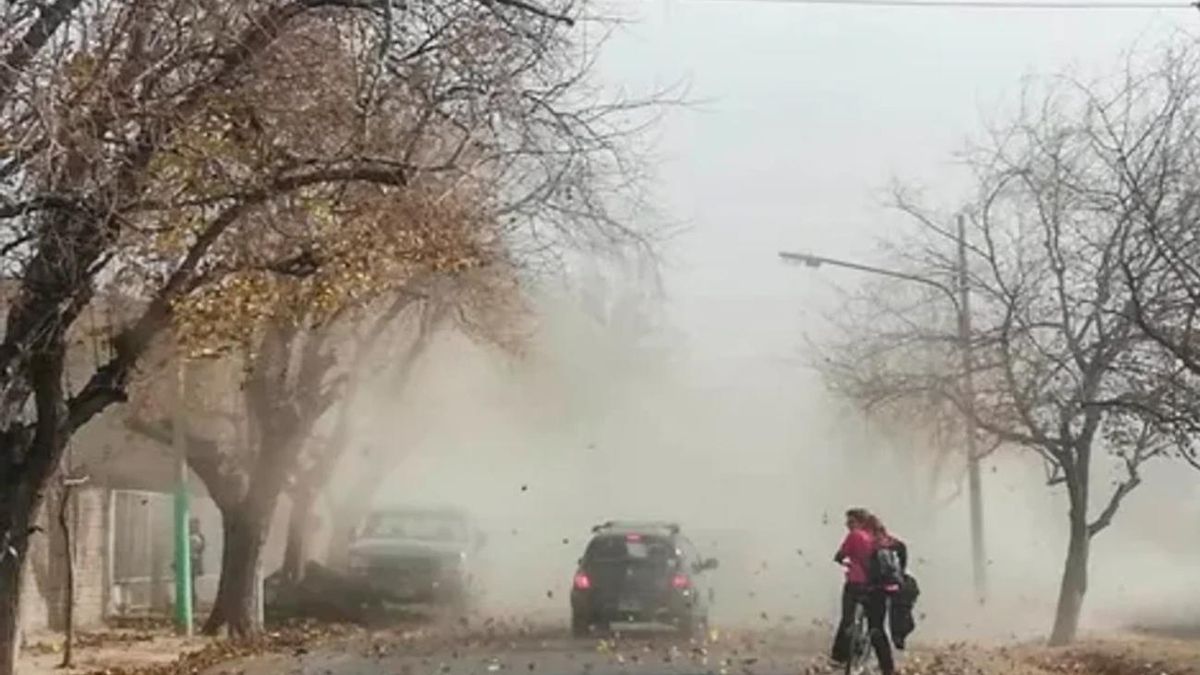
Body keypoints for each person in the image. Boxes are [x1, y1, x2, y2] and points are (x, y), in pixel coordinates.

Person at [831, 508, 894, 675]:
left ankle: (839, 658)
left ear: (859, 522)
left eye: (850, 521)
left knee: (848, 620)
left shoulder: (855, 536)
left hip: (857, 585)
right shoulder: (882, 539)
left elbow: (841, 555)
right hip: (879, 589)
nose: (848, 525)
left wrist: (840, 558)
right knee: (877, 629)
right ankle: (888, 668)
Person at [188, 517, 206, 612]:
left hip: (193, 564)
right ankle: (192, 603)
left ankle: (192, 603)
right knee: (190, 584)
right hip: (192, 563)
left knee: (191, 584)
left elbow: (199, 550)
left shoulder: (196, 537)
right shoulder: (198, 537)